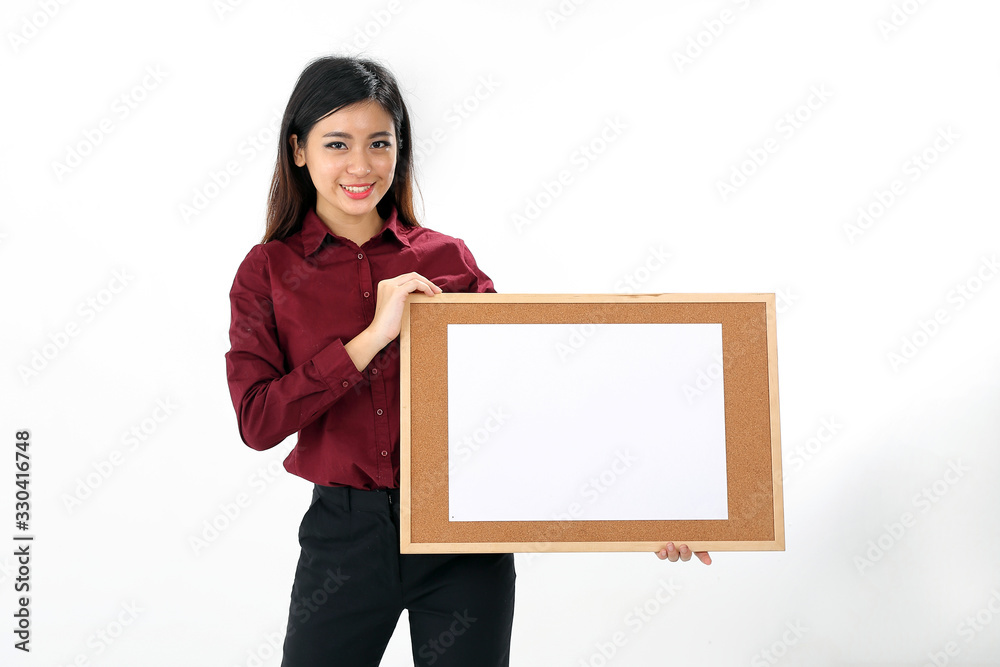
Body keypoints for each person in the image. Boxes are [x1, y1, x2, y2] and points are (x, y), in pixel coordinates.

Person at [225, 54, 708, 667]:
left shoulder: (448, 261)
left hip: (465, 536)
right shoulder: (267, 271)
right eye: (337, 143)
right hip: (343, 541)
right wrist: (371, 338)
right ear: (298, 150)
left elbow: (531, 404)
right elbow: (257, 422)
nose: (360, 165)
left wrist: (644, 511)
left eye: (380, 143)